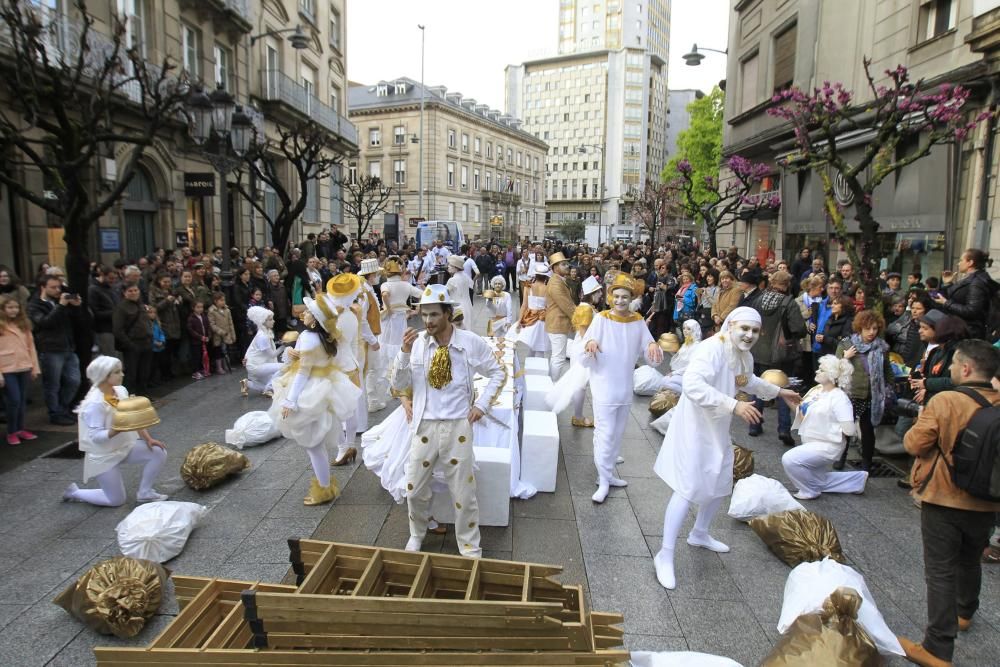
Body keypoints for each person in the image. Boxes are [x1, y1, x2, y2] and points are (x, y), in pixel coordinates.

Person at [652, 306, 801, 589]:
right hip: (694, 428)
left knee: (720, 480)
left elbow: (747, 380)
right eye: (744, 328)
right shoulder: (711, 350)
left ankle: (700, 533)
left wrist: (779, 392)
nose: (749, 335)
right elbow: (693, 385)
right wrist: (734, 405)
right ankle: (665, 554)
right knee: (687, 488)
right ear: (730, 325)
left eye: (755, 331)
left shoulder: (743, 355)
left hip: (717, 427)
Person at [897, 340, 1000, 667]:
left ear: (967, 368)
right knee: (970, 558)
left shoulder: (947, 400)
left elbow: (914, 443)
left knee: (940, 571)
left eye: (954, 365)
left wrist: (924, 418)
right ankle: (965, 612)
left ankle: (937, 648)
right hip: (987, 500)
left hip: (944, 497)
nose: (951, 370)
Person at [390, 283, 506, 558]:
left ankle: (469, 545)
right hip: (424, 426)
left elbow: (498, 372)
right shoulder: (416, 344)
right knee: (415, 487)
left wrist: (481, 405)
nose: (427, 321)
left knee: (463, 493)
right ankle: (417, 534)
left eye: (433, 315)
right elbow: (398, 383)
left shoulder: (469, 342)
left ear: (447, 314)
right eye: (424, 315)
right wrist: (403, 354)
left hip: (458, 426)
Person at [268, 293, 360, 506]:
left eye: (308, 312)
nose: (304, 314)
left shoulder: (309, 337)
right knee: (316, 442)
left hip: (309, 391)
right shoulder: (326, 336)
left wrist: (289, 401)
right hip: (325, 388)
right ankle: (325, 484)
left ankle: (324, 488)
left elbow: (302, 372)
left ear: (316, 319)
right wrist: (293, 353)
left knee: (314, 445)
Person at [581, 274, 663, 504]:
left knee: (616, 434)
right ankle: (604, 479)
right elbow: (586, 344)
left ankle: (606, 473)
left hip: (624, 387)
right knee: (605, 433)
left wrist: (653, 345)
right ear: (610, 297)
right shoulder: (602, 319)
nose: (619, 301)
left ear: (631, 298)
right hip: (604, 385)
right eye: (616, 296)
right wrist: (590, 344)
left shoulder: (637, 321)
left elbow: (648, 347)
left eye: (624, 297)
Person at [62, 356, 168, 506]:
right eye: (117, 372)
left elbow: (132, 418)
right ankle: (75, 492)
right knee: (115, 500)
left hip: (124, 446)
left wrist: (148, 439)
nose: (122, 374)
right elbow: (95, 437)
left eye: (121, 371)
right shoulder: (95, 404)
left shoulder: (120, 391)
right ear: (104, 376)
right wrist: (115, 430)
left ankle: (145, 492)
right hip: (103, 455)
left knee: (158, 452)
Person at [782, 355, 868, 499]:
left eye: (821, 369)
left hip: (827, 446)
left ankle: (810, 490)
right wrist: (783, 394)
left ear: (831, 375)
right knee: (819, 480)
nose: (817, 371)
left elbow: (849, 430)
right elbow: (801, 413)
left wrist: (829, 431)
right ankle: (857, 480)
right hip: (811, 442)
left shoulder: (839, 398)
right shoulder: (816, 390)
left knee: (790, 459)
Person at [748, 270, 806, 446]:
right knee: (782, 390)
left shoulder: (758, 300)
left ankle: (754, 425)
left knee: (758, 387)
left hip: (757, 350)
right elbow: (799, 329)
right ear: (787, 285)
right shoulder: (788, 303)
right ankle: (784, 429)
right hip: (780, 355)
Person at [836, 310, 894, 472]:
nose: (871, 332)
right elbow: (834, 368)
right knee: (846, 429)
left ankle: (867, 461)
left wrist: (889, 387)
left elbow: (887, 369)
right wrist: (845, 357)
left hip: (872, 395)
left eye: (875, 329)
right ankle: (841, 456)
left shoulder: (882, 347)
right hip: (851, 394)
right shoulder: (847, 344)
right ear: (860, 328)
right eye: (868, 328)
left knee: (868, 430)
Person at [548, 276, 604, 428]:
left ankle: (578, 415)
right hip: (583, 349)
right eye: (598, 293)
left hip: (583, 348)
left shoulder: (585, 306)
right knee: (580, 384)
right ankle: (578, 416)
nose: (601, 295)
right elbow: (584, 333)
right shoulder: (586, 308)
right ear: (592, 294)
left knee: (580, 383)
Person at [28, 276, 81, 425]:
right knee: (53, 384)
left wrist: (76, 307)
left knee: (73, 381)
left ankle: (63, 408)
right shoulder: (34, 305)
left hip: (68, 347)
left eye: (59, 287)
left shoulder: (60, 303)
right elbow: (45, 323)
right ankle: (55, 413)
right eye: (53, 287)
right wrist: (61, 306)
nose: (58, 290)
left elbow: (76, 322)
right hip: (50, 349)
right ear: (43, 287)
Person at [0, 294, 40, 445]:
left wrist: (34, 367)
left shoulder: (23, 325)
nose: (13, 310)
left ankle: (20, 428)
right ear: (3, 309)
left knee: (22, 400)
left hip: (24, 366)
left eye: (16, 307)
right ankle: (11, 431)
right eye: (10, 307)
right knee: (14, 400)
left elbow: (31, 348)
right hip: (7, 368)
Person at [113, 284, 153, 396]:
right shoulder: (121, 307)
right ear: (125, 293)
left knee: (144, 372)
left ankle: (144, 394)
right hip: (133, 343)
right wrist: (129, 344)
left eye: (136, 290)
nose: (134, 293)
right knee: (132, 373)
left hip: (146, 342)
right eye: (130, 291)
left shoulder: (141, 305)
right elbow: (118, 329)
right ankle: (130, 395)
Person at [380, 256, 422, 360]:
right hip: (401, 317)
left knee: (386, 341)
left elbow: (385, 295)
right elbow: (422, 295)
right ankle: (399, 360)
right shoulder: (406, 285)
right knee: (399, 340)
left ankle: (388, 366)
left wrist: (389, 309)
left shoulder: (385, 284)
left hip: (388, 317)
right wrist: (417, 310)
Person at [545, 252, 576, 381]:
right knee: (558, 358)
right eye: (563, 264)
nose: (567, 266)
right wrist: (580, 317)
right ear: (554, 268)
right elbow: (566, 305)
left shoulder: (558, 280)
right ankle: (551, 385)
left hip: (558, 323)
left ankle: (551, 384)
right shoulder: (556, 283)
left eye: (566, 263)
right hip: (557, 323)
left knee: (557, 357)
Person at [514, 265, 551, 366]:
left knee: (532, 347)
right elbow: (549, 306)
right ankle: (537, 373)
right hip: (543, 320)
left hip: (530, 319)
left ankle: (528, 371)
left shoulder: (528, 286)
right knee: (540, 349)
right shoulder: (548, 288)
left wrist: (519, 321)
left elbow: (524, 305)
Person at [242, 306, 283, 396]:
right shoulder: (263, 336)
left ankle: (247, 383)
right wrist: (284, 346)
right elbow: (272, 355)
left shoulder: (264, 332)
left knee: (276, 385)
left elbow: (251, 347)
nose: (273, 321)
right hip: (256, 366)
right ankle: (268, 389)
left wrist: (246, 357)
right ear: (263, 322)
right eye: (270, 319)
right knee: (284, 367)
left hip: (257, 364)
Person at [208, 292, 236, 376]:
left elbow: (230, 323)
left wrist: (232, 334)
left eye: (224, 300)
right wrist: (220, 332)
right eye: (221, 300)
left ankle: (226, 365)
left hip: (227, 334)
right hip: (218, 336)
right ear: (215, 301)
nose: (223, 302)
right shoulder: (212, 311)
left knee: (226, 351)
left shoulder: (227, 310)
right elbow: (212, 324)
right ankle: (219, 367)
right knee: (218, 352)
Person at [445, 255, 474, 332]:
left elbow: (444, 293)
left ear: (455, 267)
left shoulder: (452, 280)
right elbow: (471, 285)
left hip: (457, 308)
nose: (448, 267)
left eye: (450, 265)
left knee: (458, 332)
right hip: (468, 306)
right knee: (467, 330)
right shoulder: (465, 276)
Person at [187, 301, 212, 380]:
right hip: (196, 341)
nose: (200, 309)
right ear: (193, 308)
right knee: (196, 357)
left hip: (204, 340)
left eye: (201, 307)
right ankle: (195, 372)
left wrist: (208, 336)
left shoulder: (204, 316)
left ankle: (202, 370)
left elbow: (208, 327)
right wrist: (200, 337)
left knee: (203, 356)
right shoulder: (191, 318)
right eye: (198, 307)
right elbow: (191, 330)